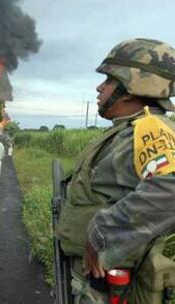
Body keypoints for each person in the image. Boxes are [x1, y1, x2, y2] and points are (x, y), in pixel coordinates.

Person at [56, 38, 175, 303]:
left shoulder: (149, 129)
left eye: (109, 80)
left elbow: (171, 187)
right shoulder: (129, 130)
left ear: (131, 87)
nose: (100, 88)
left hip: (111, 285)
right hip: (98, 281)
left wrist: (102, 231)